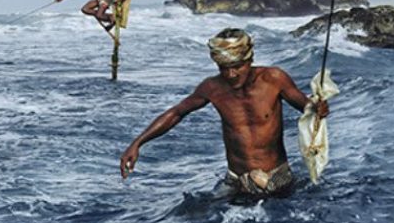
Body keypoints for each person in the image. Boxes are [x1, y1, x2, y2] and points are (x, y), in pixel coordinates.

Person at [119, 28, 330, 197]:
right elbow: (177, 113)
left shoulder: (274, 79)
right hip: (236, 180)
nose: (230, 74)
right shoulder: (212, 88)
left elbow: (306, 106)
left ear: (249, 60)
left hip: (277, 178)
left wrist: (317, 107)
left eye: (237, 66)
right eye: (223, 68)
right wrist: (137, 143)